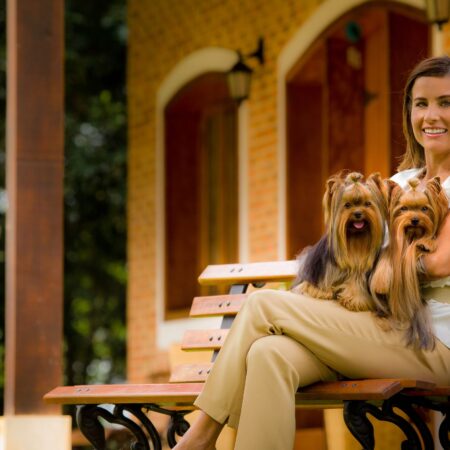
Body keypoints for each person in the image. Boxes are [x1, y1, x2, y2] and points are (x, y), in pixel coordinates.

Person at [173, 55, 450, 450]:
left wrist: (383, 268)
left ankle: (199, 437)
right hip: (379, 327)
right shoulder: (399, 182)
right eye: (421, 103)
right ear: (409, 112)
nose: (431, 115)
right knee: (269, 355)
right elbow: (355, 254)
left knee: (263, 305)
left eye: (445, 103)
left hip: (434, 343)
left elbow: (438, 263)